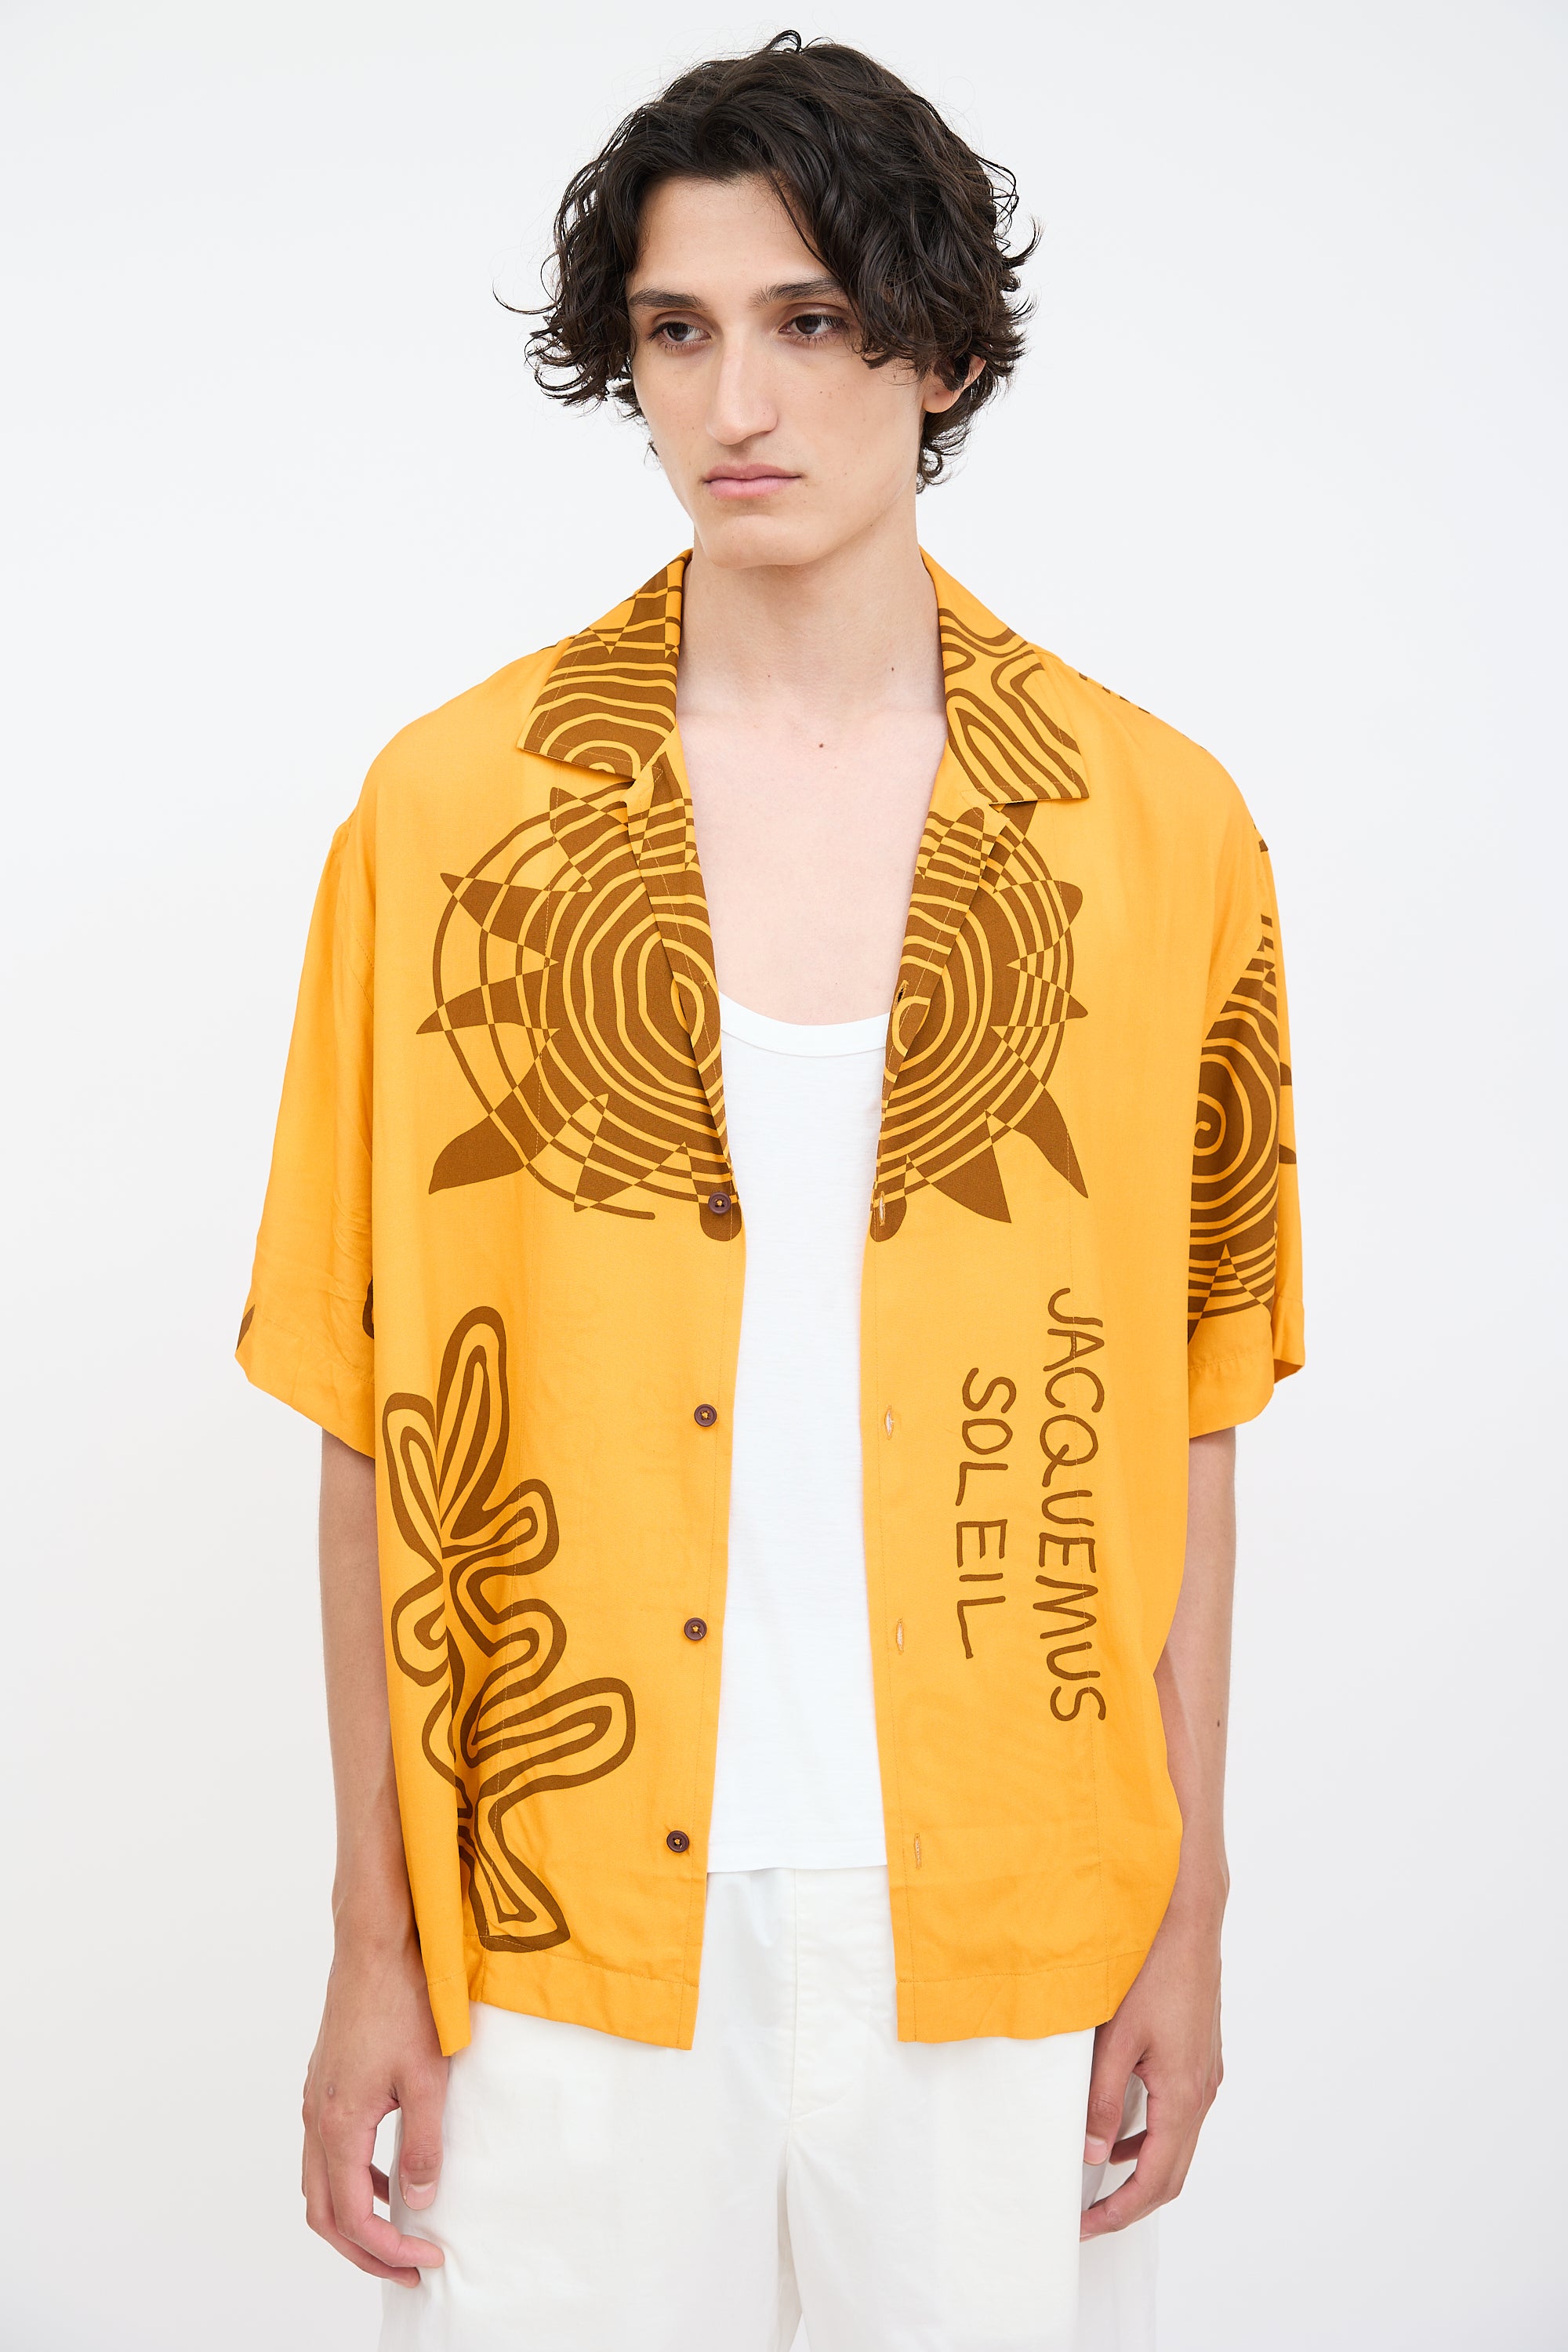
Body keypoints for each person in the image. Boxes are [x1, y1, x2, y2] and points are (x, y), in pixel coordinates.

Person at [238, 31, 1302, 2352]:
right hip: (559, 1916)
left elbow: (1192, 1415)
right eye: (678, 328)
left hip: (1015, 1904)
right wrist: (368, 1941)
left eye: (812, 320)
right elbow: (372, 1427)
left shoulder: (1158, 836)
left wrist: (1194, 1910)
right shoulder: (450, 821)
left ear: (941, 351)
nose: (740, 401)